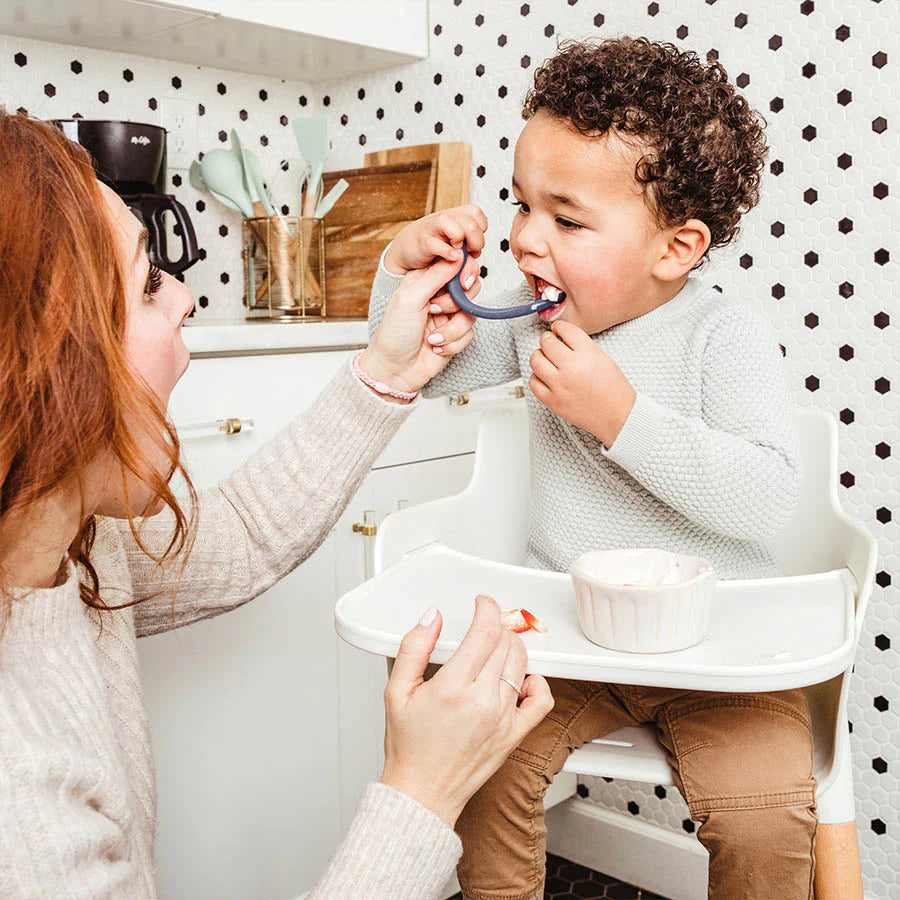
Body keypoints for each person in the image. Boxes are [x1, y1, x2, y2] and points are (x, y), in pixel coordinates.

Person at [0, 110, 554, 900]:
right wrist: (424, 789)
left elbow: (246, 533)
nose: (187, 297)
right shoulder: (17, 805)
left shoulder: (67, 548)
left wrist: (389, 371)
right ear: (45, 359)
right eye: (149, 281)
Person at [368, 37, 814, 900]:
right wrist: (401, 277)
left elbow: (765, 497)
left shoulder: (725, 336)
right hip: (568, 633)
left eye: (566, 220)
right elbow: (429, 368)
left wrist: (619, 417)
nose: (527, 239)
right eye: (522, 204)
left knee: (763, 814)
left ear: (677, 248)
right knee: (479, 760)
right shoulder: (531, 321)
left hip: (718, 641)